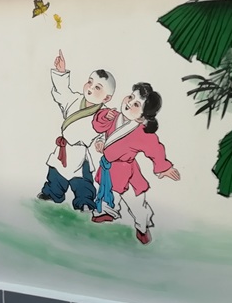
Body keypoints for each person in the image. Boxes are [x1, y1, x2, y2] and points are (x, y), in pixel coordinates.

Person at [90, 82, 180, 244]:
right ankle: (107, 212)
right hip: (109, 167)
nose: (129, 103)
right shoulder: (114, 116)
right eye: (131, 97)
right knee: (107, 191)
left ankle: (142, 227)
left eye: (136, 104)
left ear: (142, 116)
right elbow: (99, 127)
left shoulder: (142, 132)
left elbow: (155, 149)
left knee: (136, 202)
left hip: (127, 170)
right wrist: (100, 139)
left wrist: (163, 167)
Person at [37, 50, 116, 211]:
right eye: (90, 82)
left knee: (82, 181)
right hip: (64, 148)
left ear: (106, 98)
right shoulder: (74, 99)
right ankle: (52, 193)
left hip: (81, 152)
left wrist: (100, 143)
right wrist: (61, 72)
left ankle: (84, 201)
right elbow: (62, 92)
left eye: (97, 87)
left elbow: (101, 132)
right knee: (55, 174)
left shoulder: (103, 114)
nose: (91, 88)